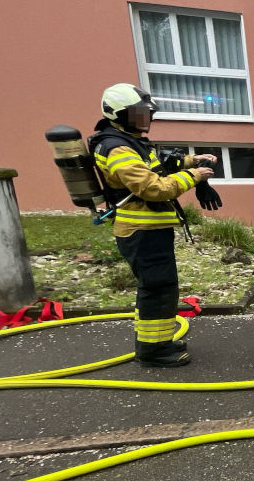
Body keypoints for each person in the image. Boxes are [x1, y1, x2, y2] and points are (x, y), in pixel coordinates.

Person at [89, 83, 218, 368]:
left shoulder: (128, 141)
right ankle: (152, 351)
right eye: (137, 114)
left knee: (162, 287)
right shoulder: (117, 147)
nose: (144, 119)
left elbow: (158, 163)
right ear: (116, 114)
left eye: (146, 113)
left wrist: (191, 159)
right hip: (141, 231)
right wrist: (193, 176)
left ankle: (158, 341)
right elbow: (153, 188)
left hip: (150, 230)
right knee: (156, 289)